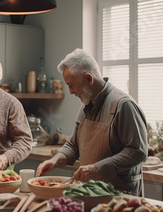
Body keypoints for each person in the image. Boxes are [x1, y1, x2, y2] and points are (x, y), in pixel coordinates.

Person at [36, 49, 148, 196]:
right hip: (90, 194)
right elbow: (73, 146)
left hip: (121, 196)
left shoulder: (123, 105)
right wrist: (55, 161)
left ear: (89, 79)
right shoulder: (85, 105)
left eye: (71, 85)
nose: (70, 92)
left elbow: (138, 152)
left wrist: (97, 169)